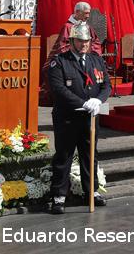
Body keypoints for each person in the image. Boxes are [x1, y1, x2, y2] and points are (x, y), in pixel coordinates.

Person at [47, 22, 110, 214]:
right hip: (68, 117)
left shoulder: (96, 60)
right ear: (72, 40)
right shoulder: (60, 62)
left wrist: (98, 100)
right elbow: (59, 89)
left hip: (90, 117)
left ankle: (91, 191)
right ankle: (59, 196)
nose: (84, 45)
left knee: (90, 155)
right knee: (64, 156)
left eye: (87, 41)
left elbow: (106, 84)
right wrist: (82, 103)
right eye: (80, 41)